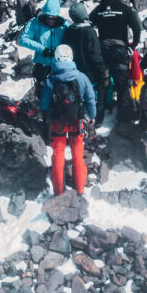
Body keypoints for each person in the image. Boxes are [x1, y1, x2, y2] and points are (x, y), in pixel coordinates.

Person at [39, 45, 97, 196]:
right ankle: (80, 189)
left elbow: (44, 104)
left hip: (57, 123)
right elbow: (91, 99)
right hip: (77, 122)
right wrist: (92, 116)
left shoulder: (51, 79)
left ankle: (58, 191)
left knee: (58, 155)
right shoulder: (81, 77)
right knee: (78, 155)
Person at [89, 0, 142, 122]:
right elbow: (136, 28)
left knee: (103, 83)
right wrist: (133, 45)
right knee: (122, 85)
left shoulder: (99, 9)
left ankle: (98, 118)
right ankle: (123, 119)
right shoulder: (124, 9)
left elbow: (88, 24)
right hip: (120, 53)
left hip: (103, 53)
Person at [64, 1, 106, 122]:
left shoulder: (69, 31)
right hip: (89, 73)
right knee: (93, 97)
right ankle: (95, 120)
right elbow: (95, 55)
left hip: (73, 72)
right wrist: (103, 71)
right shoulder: (89, 32)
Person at [19, 0, 69, 93]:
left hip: (59, 64)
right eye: (47, 17)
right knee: (42, 93)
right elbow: (23, 40)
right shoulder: (35, 23)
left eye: (53, 18)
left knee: (60, 92)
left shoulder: (64, 25)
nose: (50, 20)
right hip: (41, 65)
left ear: (57, 16)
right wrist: (43, 50)